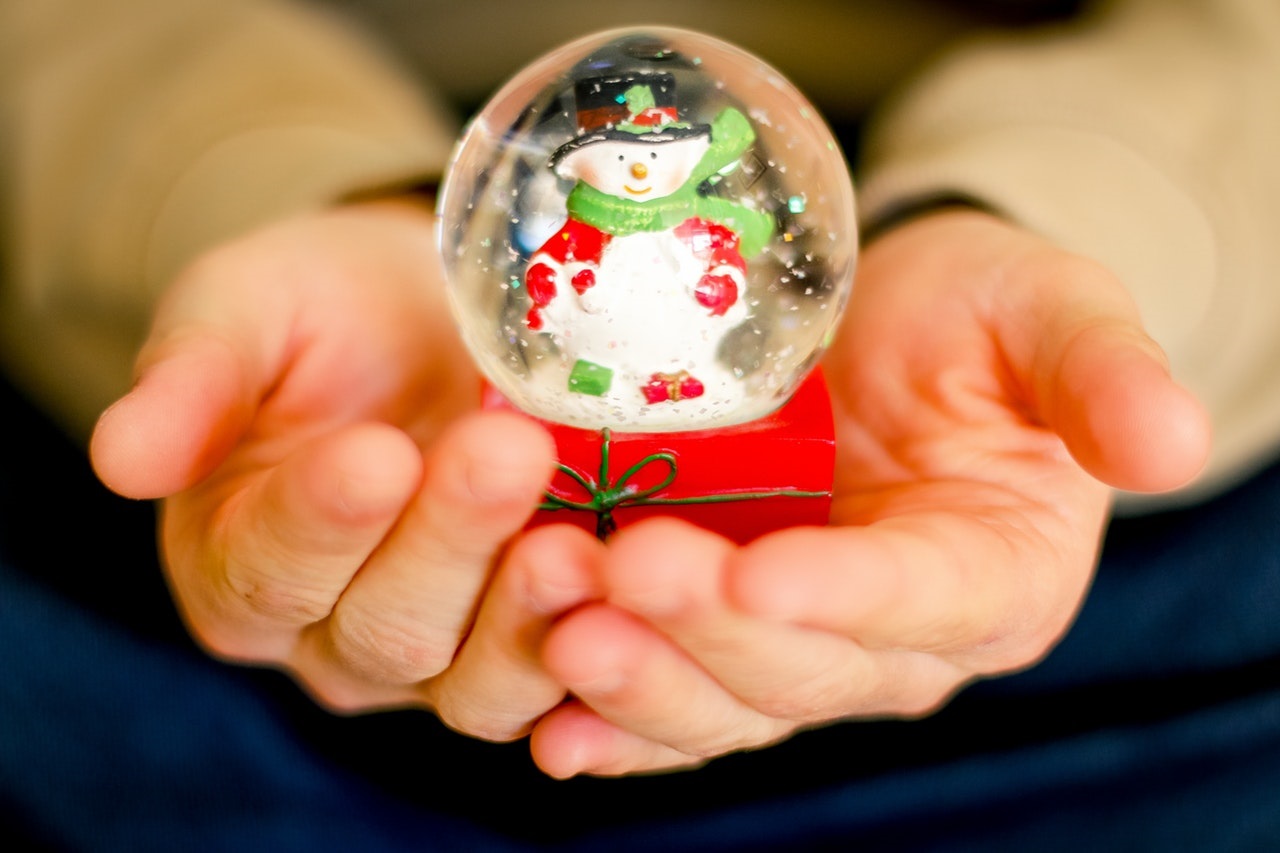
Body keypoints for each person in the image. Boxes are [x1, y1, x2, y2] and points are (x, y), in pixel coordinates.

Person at [3, 0, 1278, 848]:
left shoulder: (734, 221)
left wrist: (1092, 214)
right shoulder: (544, 219)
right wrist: (229, 181)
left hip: (1107, 543)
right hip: (236, 294)